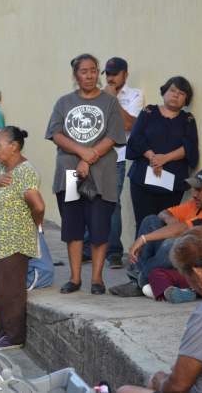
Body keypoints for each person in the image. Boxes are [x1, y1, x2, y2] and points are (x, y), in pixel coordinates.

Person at [45, 53, 126, 295]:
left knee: (100, 228)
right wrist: (82, 153)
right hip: (70, 175)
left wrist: (89, 159)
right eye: (84, 71)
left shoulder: (110, 103)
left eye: (93, 70)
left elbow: (114, 136)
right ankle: (75, 278)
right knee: (73, 226)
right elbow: (56, 133)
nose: (89, 75)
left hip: (102, 176)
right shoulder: (64, 103)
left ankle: (97, 280)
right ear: (75, 75)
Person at [117, 227, 202, 393]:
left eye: (185, 276)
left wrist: (160, 380)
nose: (188, 281)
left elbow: (177, 387)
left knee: (126, 390)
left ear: (199, 274)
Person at [0, 126, 45, 350]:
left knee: (10, 291)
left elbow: (38, 205)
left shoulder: (25, 171)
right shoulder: (0, 169)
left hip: (13, 243)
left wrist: (31, 226)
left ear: (14, 146)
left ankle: (14, 337)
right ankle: (4, 332)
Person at [109, 167, 202, 297]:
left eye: (200, 190)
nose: (194, 194)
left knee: (172, 243)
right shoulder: (193, 204)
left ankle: (140, 280)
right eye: (194, 189)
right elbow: (163, 213)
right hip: (170, 259)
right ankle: (141, 277)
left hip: (190, 265)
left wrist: (143, 238)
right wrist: (171, 220)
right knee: (150, 220)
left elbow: (181, 230)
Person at [82, 57, 144, 269]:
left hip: (116, 157)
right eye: (107, 74)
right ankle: (87, 248)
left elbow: (130, 125)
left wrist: (112, 100)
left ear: (125, 74)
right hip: (92, 155)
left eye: (115, 74)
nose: (110, 78)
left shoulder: (135, 95)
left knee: (112, 203)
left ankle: (114, 252)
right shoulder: (95, 94)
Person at [126, 76, 199, 234]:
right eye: (172, 90)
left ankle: (158, 258)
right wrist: (153, 157)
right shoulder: (148, 112)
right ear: (164, 91)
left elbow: (190, 147)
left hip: (172, 184)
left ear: (186, 99)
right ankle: (140, 258)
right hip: (142, 181)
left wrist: (164, 158)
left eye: (181, 93)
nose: (175, 95)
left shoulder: (188, 120)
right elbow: (136, 138)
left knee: (165, 226)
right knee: (144, 222)